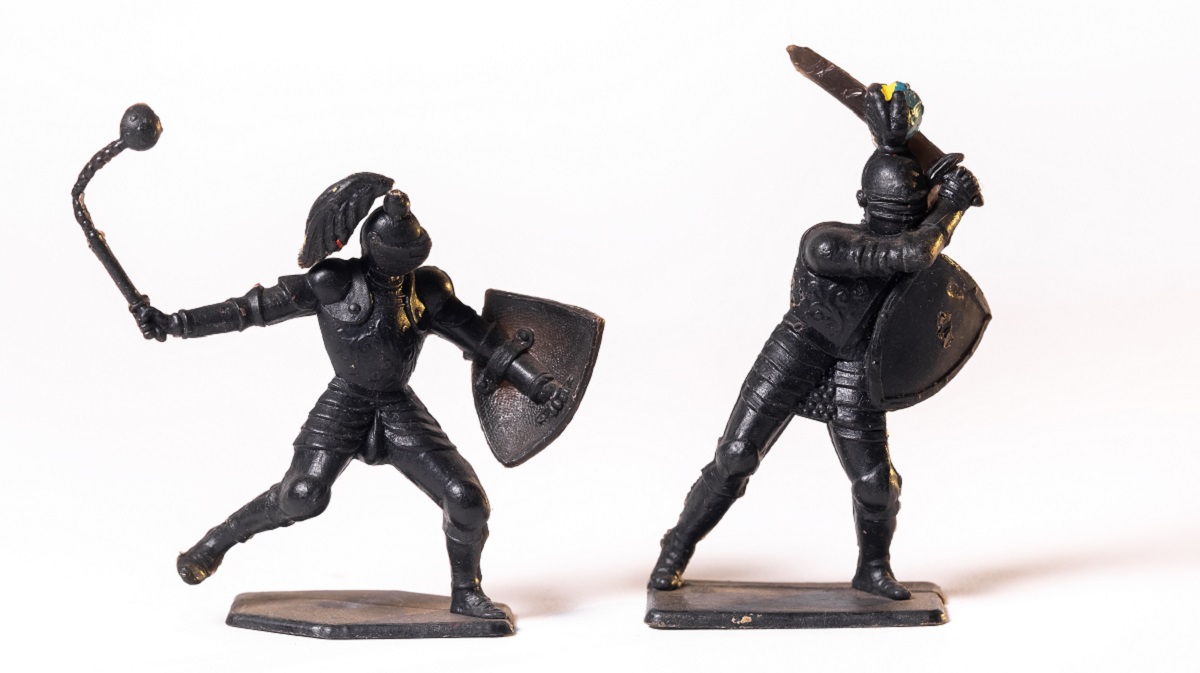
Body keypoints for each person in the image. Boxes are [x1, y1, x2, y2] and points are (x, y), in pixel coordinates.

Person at [135, 179, 566, 619]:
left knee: (466, 499)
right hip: (347, 401)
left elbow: (484, 340)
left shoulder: (426, 290)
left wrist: (537, 384)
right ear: (373, 248)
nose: (403, 265)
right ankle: (214, 543)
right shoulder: (332, 283)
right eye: (396, 254)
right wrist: (177, 323)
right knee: (302, 493)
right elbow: (250, 310)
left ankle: (466, 590)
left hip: (397, 406)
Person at [648, 83, 981, 600]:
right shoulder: (827, 243)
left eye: (906, 210)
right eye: (886, 209)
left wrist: (943, 202)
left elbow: (918, 254)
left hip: (857, 364)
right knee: (736, 456)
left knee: (877, 485)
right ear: (863, 203)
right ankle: (677, 546)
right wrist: (952, 207)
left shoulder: (915, 242)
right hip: (799, 350)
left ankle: (873, 568)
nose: (894, 220)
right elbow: (913, 252)